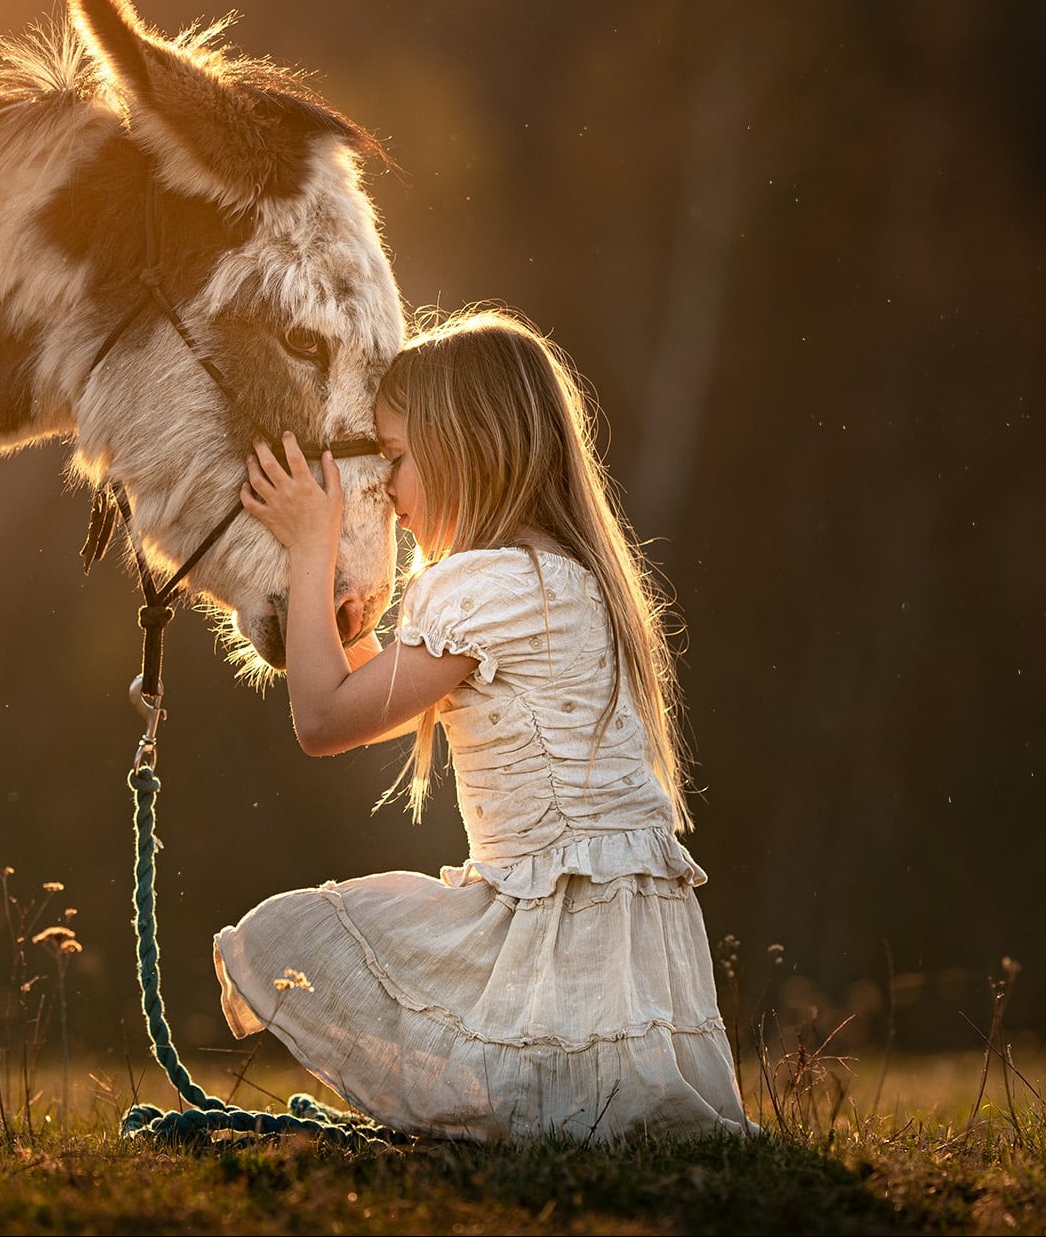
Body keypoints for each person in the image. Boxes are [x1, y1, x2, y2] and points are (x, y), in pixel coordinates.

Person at [217, 309, 753, 1143]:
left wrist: (311, 542)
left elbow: (323, 719)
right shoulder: (566, 578)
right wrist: (346, 618)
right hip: (619, 949)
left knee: (287, 936)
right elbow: (357, 688)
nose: (388, 494)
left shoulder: (479, 587)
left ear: (464, 446)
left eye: (395, 460)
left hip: (546, 931)